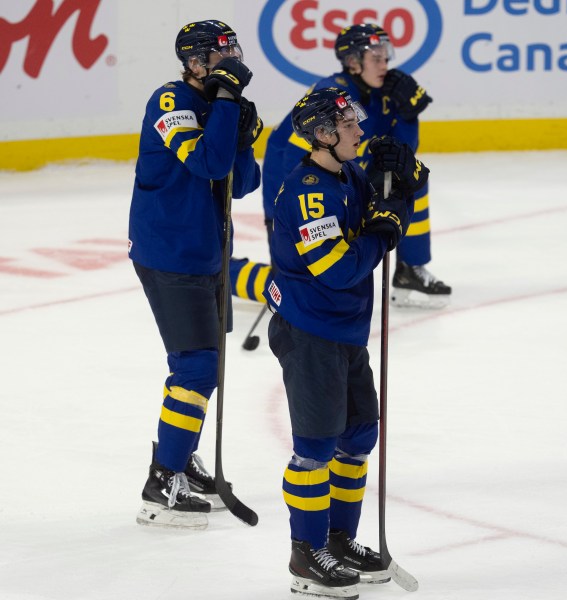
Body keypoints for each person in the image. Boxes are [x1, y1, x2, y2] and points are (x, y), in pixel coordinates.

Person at [264, 88, 428, 598]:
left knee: (357, 437)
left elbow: (397, 196)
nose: (359, 130)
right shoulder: (308, 191)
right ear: (323, 135)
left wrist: (405, 184)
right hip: (311, 332)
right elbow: (337, 269)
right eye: (349, 125)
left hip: (346, 331)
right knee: (314, 450)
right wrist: (383, 232)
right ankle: (305, 555)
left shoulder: (349, 173)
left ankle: (337, 540)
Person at [128, 19, 261, 528]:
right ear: (195, 61)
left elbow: (242, 182)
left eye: (234, 52)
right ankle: (162, 481)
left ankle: (179, 459)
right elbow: (206, 164)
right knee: (196, 368)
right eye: (221, 55)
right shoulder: (170, 103)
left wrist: (243, 133)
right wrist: (227, 107)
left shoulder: (223, 101)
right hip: (170, 253)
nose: (231, 62)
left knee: (206, 367)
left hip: (209, 253)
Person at [262, 23, 450, 309]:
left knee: (411, 184)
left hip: (346, 176)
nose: (385, 64)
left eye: (386, 56)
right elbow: (296, 163)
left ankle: (410, 268)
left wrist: (409, 114)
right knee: (301, 279)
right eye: (376, 58)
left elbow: (403, 154)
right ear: (352, 62)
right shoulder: (332, 95)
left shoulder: (383, 92)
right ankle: (232, 274)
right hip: (299, 186)